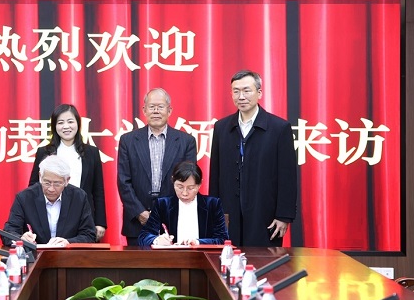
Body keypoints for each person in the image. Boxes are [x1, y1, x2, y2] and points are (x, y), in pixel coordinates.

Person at [209, 70, 298, 247]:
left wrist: (284, 216)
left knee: (263, 259)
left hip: (265, 213)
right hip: (229, 213)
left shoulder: (279, 128)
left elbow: (287, 176)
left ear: (259, 93)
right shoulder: (222, 127)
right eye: (236, 91)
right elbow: (215, 173)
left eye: (246, 90)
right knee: (228, 260)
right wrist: (214, 212)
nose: (241, 96)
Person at [117, 88, 197, 246]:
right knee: (137, 261)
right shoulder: (128, 140)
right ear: (144, 110)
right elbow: (123, 181)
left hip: (174, 219)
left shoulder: (186, 141)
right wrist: (139, 212)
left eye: (160, 107)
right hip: (137, 222)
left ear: (169, 110)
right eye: (151, 107)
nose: (155, 111)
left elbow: (188, 181)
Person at [28, 104, 107, 241]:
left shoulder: (91, 153)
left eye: (70, 122)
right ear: (54, 126)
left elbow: (97, 190)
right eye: (60, 123)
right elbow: (33, 187)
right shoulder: (44, 152)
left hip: (83, 215)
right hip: (51, 214)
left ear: (78, 124)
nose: (66, 126)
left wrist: (100, 222)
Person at [4, 155, 96, 247]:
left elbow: (89, 235)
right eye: (47, 183)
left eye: (57, 184)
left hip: (68, 254)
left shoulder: (79, 197)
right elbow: (9, 232)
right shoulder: (25, 198)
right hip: (34, 254)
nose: (51, 189)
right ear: (40, 176)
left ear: (67, 180)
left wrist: (68, 242)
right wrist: (21, 239)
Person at [139, 161, 228, 247]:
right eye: (180, 187)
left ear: (199, 184)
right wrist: (157, 240)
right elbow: (144, 237)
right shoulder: (162, 204)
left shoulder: (212, 204)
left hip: (202, 256)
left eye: (190, 188)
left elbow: (222, 239)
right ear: (173, 181)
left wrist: (197, 242)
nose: (185, 193)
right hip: (171, 256)